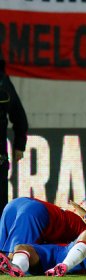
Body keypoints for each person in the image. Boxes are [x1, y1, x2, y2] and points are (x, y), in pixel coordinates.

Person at [0, 200, 86, 277]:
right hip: (52, 252)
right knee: (21, 247)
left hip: (68, 258)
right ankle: (17, 268)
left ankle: (64, 266)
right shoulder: (67, 236)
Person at [0, 197, 86, 255]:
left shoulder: (74, 224)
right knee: (17, 256)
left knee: (3, 252)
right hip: (34, 211)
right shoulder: (85, 233)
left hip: (16, 203)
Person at [0, 60, 28, 217]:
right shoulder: (3, 82)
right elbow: (19, 116)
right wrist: (19, 146)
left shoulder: (2, 82)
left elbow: (19, 116)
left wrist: (19, 144)